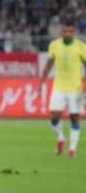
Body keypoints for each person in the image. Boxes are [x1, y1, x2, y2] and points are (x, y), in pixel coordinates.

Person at [39, 24, 86, 158]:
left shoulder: (81, 46)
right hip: (59, 87)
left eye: (70, 32)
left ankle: (72, 149)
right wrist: (41, 82)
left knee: (74, 118)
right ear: (62, 32)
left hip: (75, 88)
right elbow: (49, 64)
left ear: (73, 33)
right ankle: (60, 138)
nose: (67, 34)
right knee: (54, 115)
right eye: (65, 31)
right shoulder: (54, 45)